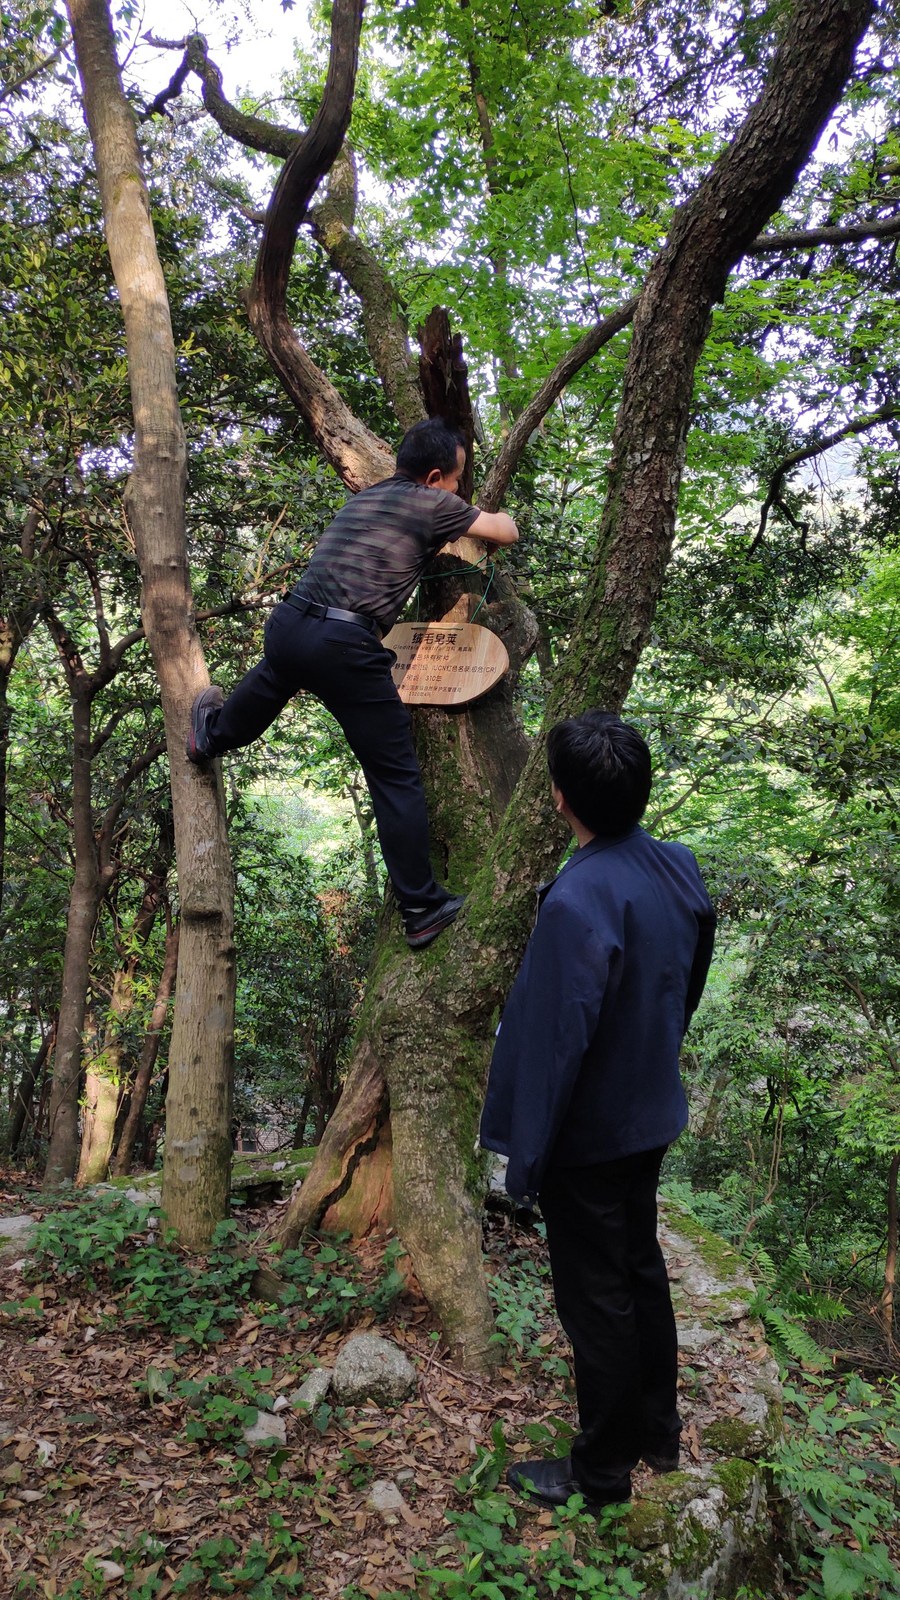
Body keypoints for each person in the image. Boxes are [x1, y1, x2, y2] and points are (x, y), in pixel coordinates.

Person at [479, 711, 716, 1509]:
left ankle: (602, 1471)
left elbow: (553, 1044)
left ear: (558, 800)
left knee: (597, 1296)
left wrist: (522, 1156)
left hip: (592, 1134)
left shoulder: (577, 900)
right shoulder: (677, 866)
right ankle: (659, 1431)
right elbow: (690, 973)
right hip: (651, 1111)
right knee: (640, 1269)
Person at [187, 420, 518, 949]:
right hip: (346, 646)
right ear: (435, 477)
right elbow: (504, 532)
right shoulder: (433, 503)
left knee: (274, 679)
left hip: (290, 622)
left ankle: (210, 737)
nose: (458, 490)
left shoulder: (368, 499)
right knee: (395, 776)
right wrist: (490, 514)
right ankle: (422, 906)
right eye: (457, 480)